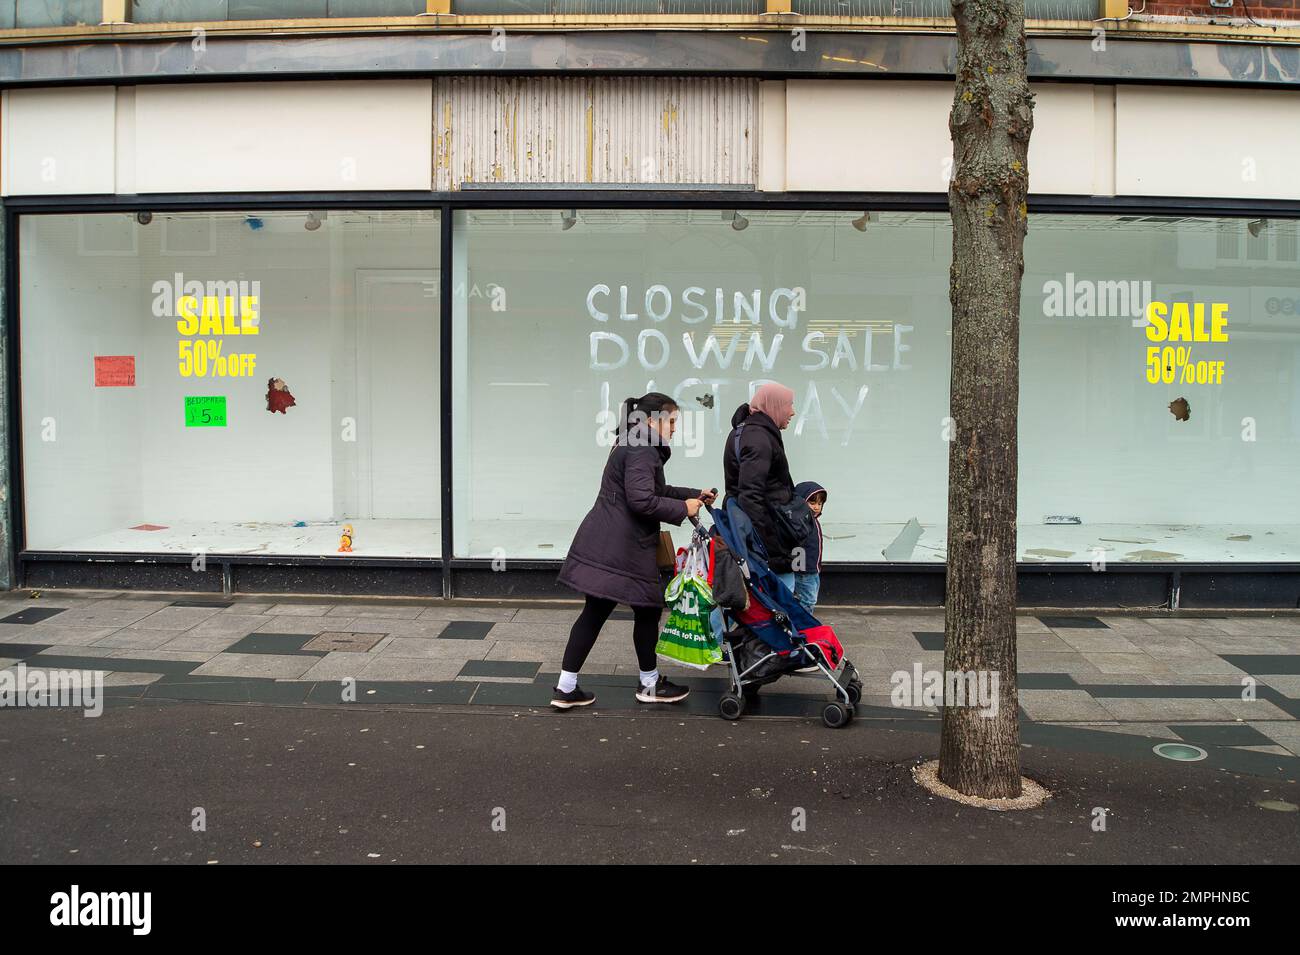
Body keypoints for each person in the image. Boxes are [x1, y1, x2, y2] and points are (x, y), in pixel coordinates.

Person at [553, 392, 716, 709]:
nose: (674, 429)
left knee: (598, 611)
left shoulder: (634, 443)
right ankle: (649, 684)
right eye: (672, 421)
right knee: (646, 609)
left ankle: (566, 687)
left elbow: (654, 491)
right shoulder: (642, 448)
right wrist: (684, 507)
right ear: (653, 420)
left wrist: (694, 495)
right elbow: (642, 500)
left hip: (607, 541)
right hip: (623, 546)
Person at [723, 382, 800, 591]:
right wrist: (773, 547)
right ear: (774, 405)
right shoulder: (758, 438)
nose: (792, 412)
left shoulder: (750, 432)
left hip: (757, 532)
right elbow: (751, 496)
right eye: (789, 405)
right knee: (780, 598)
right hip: (767, 537)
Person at [792, 481, 827, 614]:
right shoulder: (801, 522)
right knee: (808, 600)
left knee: (809, 599)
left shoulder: (812, 520)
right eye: (812, 503)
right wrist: (799, 568)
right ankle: (805, 627)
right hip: (805, 570)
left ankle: (804, 625)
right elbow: (795, 546)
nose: (817, 507)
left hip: (812, 569)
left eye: (820, 503)